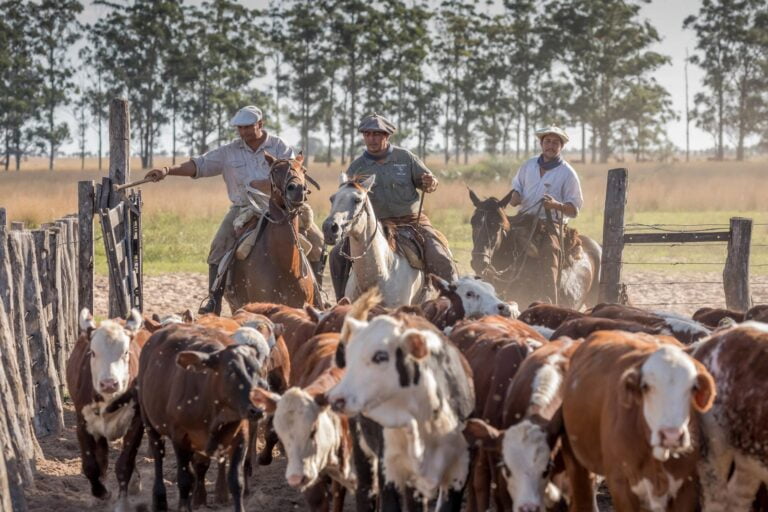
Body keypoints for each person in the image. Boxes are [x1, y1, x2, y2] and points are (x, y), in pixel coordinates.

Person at [144, 105, 322, 314]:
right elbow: (199, 165)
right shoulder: (229, 152)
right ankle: (213, 300)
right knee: (218, 248)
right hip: (244, 208)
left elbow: (293, 171)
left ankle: (317, 298)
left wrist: (266, 185)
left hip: (282, 206)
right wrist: (167, 170)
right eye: (240, 128)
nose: (244, 132)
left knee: (317, 241)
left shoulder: (279, 146)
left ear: (260, 124)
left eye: (248, 127)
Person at [329, 113, 458, 300]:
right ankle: (341, 301)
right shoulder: (357, 167)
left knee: (440, 256)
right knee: (336, 255)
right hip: (375, 225)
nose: (371, 139)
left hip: (412, 223)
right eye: (367, 135)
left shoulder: (405, 157)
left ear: (386, 136)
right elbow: (347, 200)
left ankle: (454, 301)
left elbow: (429, 182)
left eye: (376, 134)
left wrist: (430, 182)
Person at [507, 125, 584, 303]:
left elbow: (574, 209)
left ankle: (550, 300)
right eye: (547, 141)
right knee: (495, 236)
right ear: (541, 144)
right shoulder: (528, 165)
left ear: (561, 147)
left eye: (555, 143)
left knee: (550, 250)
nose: (551, 145)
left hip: (551, 224)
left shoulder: (567, 173)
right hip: (522, 219)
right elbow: (516, 187)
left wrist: (556, 205)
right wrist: (515, 196)